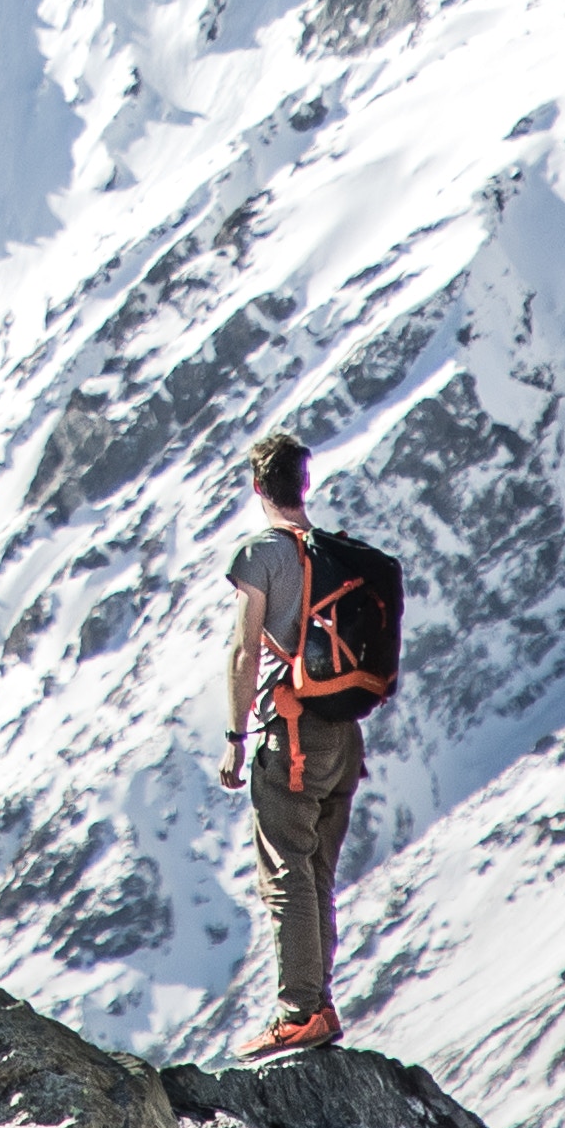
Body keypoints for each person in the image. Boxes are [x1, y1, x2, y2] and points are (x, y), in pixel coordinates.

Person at [220, 426, 353, 1056]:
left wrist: (234, 735)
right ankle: (318, 1004)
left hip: (290, 732)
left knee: (285, 871)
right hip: (343, 734)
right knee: (316, 868)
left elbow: (247, 648)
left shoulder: (262, 556)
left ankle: (302, 1010)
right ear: (305, 484)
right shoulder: (333, 551)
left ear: (257, 487)